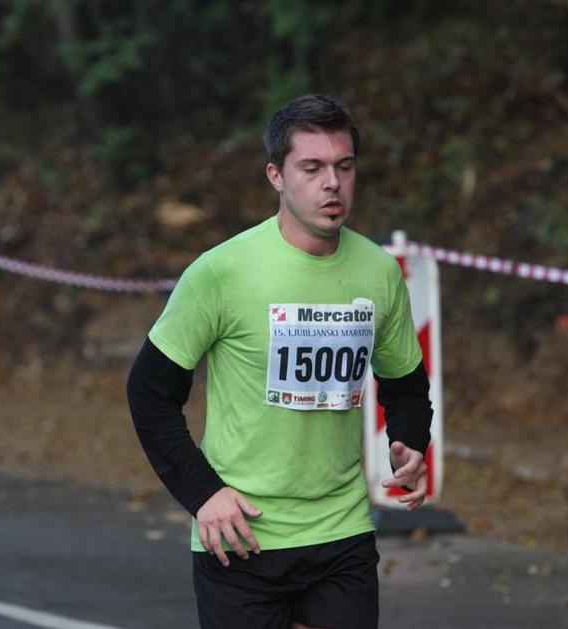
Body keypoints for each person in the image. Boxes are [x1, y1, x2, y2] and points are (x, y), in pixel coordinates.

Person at [127, 94, 433, 629]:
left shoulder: (379, 272)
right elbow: (149, 393)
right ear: (276, 176)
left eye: (344, 166)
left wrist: (409, 440)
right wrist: (203, 495)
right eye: (311, 168)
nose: (332, 183)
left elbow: (405, 384)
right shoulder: (221, 273)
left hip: (341, 530)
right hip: (240, 532)